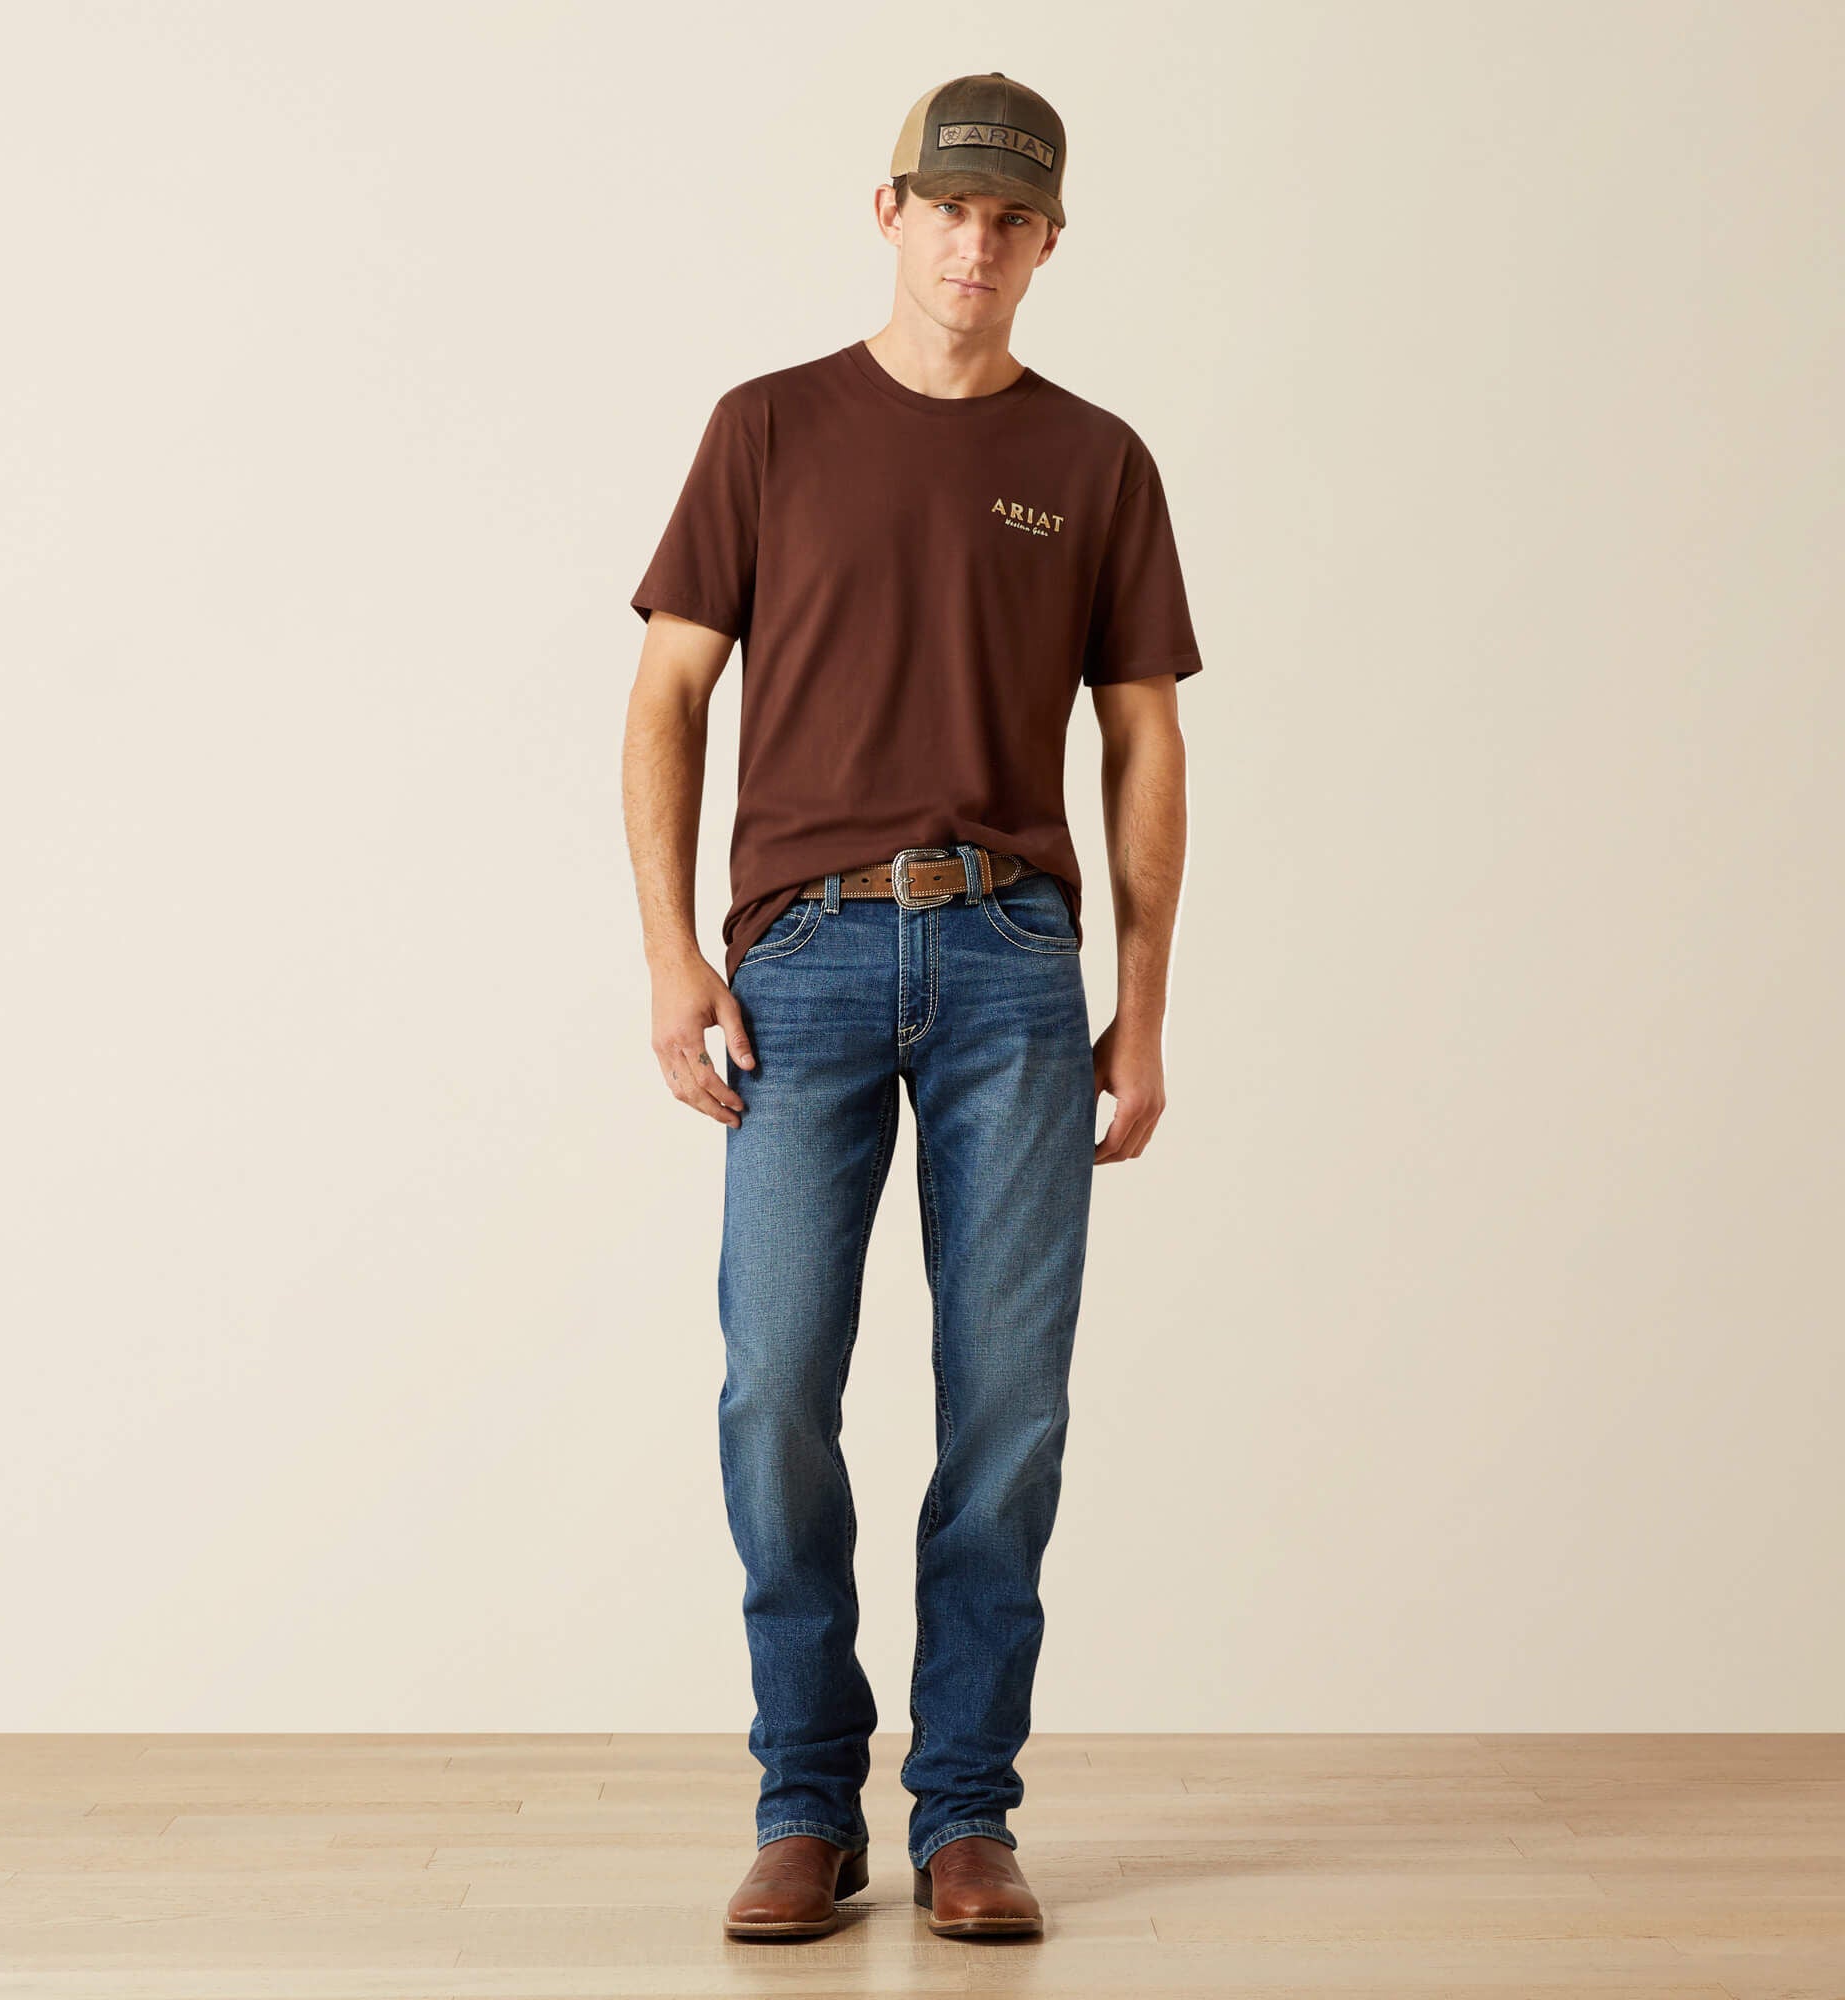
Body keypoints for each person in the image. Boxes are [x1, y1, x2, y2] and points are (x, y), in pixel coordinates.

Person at [620, 70, 1204, 1944]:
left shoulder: (1097, 460)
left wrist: (1143, 1005)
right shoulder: (768, 428)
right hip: (800, 961)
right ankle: (806, 1802)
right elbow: (668, 695)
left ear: (1049, 241)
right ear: (891, 211)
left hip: (1016, 968)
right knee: (776, 1385)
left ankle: (964, 1813)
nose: (976, 241)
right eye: (948, 205)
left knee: (1008, 1405)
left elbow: (1143, 741)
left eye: (1011, 216)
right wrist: (670, 952)